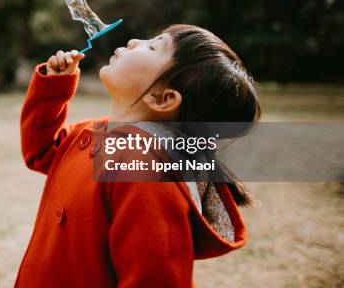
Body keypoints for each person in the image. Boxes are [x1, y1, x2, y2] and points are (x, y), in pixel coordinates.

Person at [15, 24, 261, 287]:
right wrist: (54, 87)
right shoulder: (94, 134)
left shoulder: (148, 174)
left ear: (162, 99)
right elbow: (40, 152)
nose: (134, 41)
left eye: (154, 46)